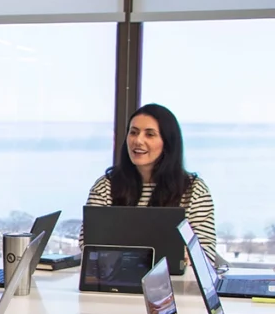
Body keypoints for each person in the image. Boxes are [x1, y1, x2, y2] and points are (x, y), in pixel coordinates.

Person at [81, 103, 217, 263]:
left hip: (175, 283)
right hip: (116, 280)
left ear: (167, 143)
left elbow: (206, 255)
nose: (138, 140)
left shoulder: (194, 190)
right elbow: (87, 245)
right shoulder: (106, 186)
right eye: (133, 132)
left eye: (150, 134)